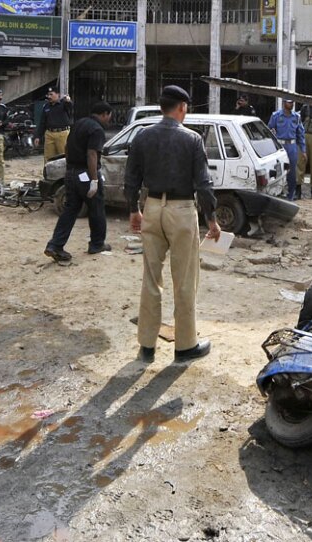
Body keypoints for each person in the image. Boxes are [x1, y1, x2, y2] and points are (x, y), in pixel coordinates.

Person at [124, 85, 222, 364]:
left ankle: (146, 347)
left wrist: (134, 210)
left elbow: (131, 178)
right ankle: (185, 347)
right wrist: (211, 219)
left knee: (151, 279)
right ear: (181, 107)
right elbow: (204, 185)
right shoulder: (192, 139)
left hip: (152, 207)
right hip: (181, 211)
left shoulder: (143, 136)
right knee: (184, 280)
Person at [44, 101, 114, 263]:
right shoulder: (97, 130)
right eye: (108, 117)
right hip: (87, 174)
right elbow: (92, 154)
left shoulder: (79, 123)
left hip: (71, 172)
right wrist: (94, 180)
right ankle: (97, 244)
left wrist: (71, 168)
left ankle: (55, 245)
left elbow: (67, 147)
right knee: (96, 208)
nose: (108, 120)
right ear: (104, 114)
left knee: (70, 210)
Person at [268, 98, 306, 200]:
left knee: (292, 171)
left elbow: (300, 134)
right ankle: (277, 192)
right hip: (280, 146)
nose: (291, 104)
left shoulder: (297, 117)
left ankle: (291, 194)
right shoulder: (276, 115)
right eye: (289, 103)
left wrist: (303, 150)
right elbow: (268, 130)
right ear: (284, 103)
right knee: (278, 170)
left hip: (292, 146)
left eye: (292, 102)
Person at [36, 86, 73, 163]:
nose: (49, 97)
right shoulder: (46, 106)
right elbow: (42, 122)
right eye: (48, 95)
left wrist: (68, 101)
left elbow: (70, 107)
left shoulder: (64, 104)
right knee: (48, 158)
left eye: (51, 94)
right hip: (49, 134)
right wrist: (38, 136)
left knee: (63, 156)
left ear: (57, 94)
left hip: (62, 133)